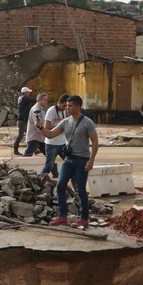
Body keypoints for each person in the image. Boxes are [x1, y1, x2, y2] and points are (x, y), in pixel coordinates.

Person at [43, 95, 99, 230]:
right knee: (60, 185)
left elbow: (95, 141)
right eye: (66, 106)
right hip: (69, 159)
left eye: (70, 106)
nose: (67, 108)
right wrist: (40, 127)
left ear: (78, 106)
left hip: (82, 160)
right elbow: (50, 134)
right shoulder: (65, 122)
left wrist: (91, 161)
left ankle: (84, 218)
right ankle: (62, 216)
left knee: (80, 190)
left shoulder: (87, 122)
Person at [41, 94, 69, 178]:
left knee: (70, 162)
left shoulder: (65, 111)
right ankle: (38, 180)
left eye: (66, 106)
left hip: (63, 143)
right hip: (52, 144)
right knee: (48, 166)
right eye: (64, 105)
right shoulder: (51, 110)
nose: (65, 108)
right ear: (59, 102)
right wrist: (60, 129)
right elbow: (47, 126)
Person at [12, 86, 35, 156]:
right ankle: (15, 150)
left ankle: (34, 149)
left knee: (31, 134)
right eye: (28, 92)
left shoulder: (21, 98)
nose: (29, 93)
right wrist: (39, 98)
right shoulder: (24, 98)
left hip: (23, 120)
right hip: (23, 121)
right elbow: (32, 100)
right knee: (21, 135)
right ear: (25, 93)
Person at [23, 92, 48, 157]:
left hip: (39, 137)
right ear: (39, 100)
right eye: (44, 100)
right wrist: (44, 131)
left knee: (48, 154)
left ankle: (51, 165)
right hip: (35, 137)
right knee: (27, 154)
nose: (46, 101)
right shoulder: (36, 109)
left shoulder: (40, 109)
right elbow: (37, 123)